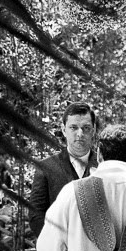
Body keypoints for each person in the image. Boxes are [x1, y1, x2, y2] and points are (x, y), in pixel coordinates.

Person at [29, 102, 99, 238]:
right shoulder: (46, 168)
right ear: (63, 129)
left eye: (86, 128)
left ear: (94, 130)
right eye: (73, 127)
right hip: (60, 250)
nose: (80, 133)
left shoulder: (104, 165)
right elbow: (36, 216)